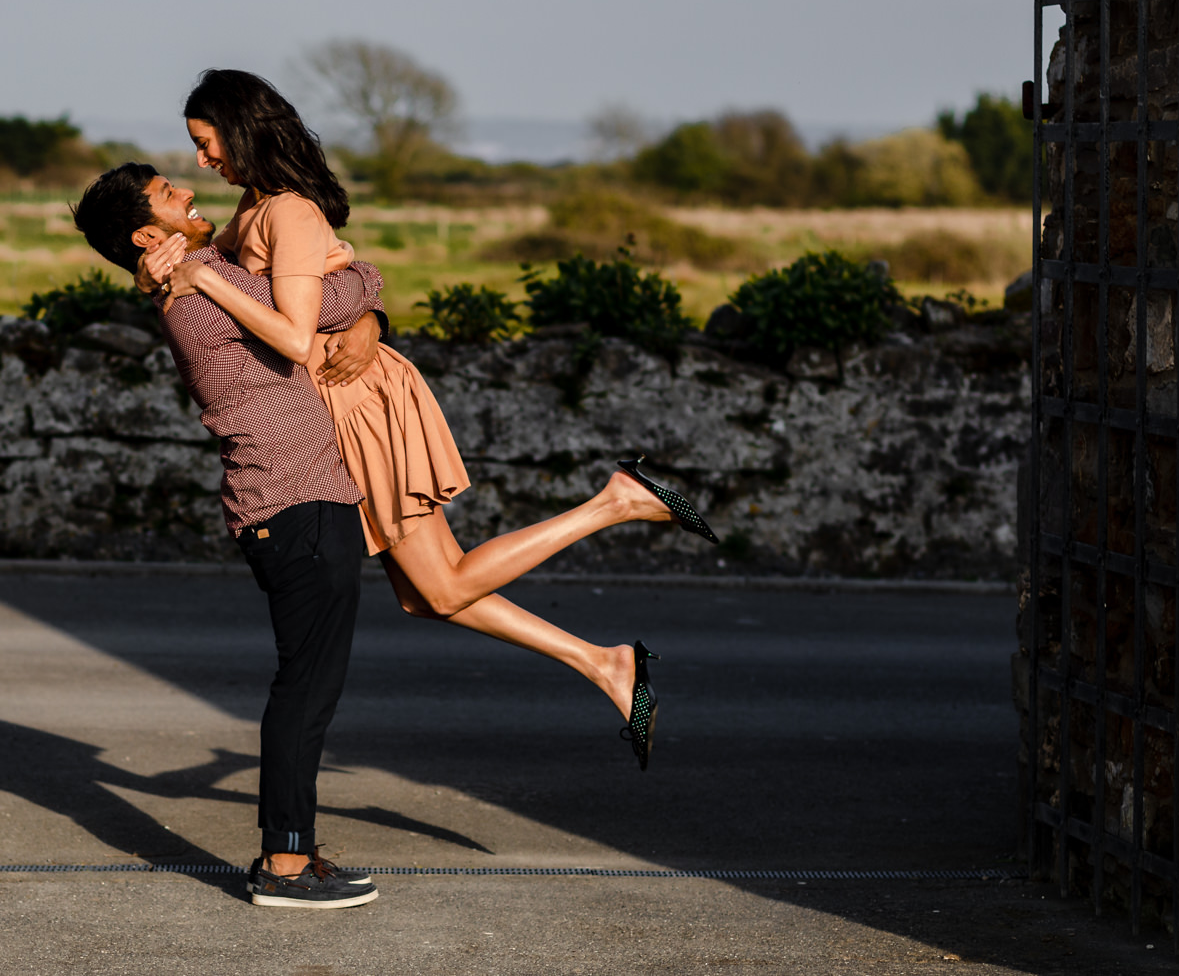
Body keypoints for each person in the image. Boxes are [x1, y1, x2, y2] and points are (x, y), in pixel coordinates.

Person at [134, 69, 710, 769]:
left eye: (205, 142)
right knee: (427, 593)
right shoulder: (252, 207)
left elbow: (289, 330)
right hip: (339, 395)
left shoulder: (285, 209)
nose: (200, 161)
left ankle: (618, 503)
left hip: (356, 399)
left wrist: (217, 278)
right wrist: (164, 271)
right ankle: (604, 662)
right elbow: (289, 286)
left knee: (441, 584)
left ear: (240, 126)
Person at [74, 161, 388, 909]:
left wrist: (362, 311)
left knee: (313, 687)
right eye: (169, 193)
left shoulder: (202, 278)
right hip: (295, 503)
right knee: (305, 688)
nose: (189, 189)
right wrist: (365, 289)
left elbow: (326, 304)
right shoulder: (199, 299)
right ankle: (282, 864)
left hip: (303, 500)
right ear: (150, 232)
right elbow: (333, 297)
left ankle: (297, 851)